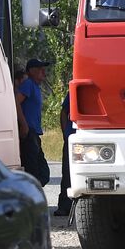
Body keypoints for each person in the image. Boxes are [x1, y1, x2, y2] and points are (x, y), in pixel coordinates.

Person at [17, 57, 51, 184]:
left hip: (35, 133)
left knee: (43, 173)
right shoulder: (28, 84)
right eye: (40, 69)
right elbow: (16, 102)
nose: (43, 72)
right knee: (34, 173)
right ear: (31, 71)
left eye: (43, 69)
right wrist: (24, 125)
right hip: (29, 132)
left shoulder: (35, 87)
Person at [56, 88, 75, 220]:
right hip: (72, 137)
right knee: (67, 173)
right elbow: (64, 112)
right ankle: (64, 206)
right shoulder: (74, 90)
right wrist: (65, 133)